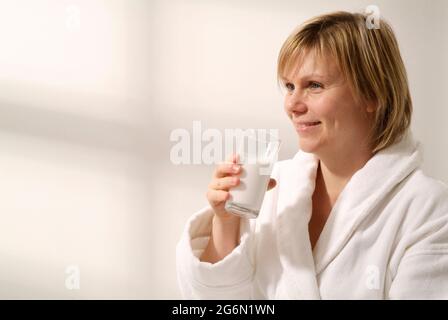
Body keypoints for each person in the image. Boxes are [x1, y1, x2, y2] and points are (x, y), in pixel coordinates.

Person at [176, 11, 448, 299]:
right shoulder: (267, 189)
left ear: (372, 93)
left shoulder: (428, 210)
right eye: (289, 86)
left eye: (314, 85)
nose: (292, 104)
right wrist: (226, 223)